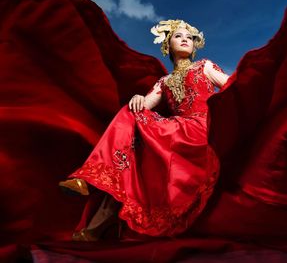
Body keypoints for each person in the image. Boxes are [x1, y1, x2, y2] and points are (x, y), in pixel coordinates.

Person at [59, 19, 230, 241]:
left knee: (138, 153)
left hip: (200, 128)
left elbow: (234, 87)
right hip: (175, 130)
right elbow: (145, 105)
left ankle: (92, 198)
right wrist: (139, 97)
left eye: (189, 37)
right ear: (168, 46)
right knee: (130, 123)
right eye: (178, 36)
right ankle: (91, 187)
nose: (185, 39)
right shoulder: (164, 81)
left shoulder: (204, 66)